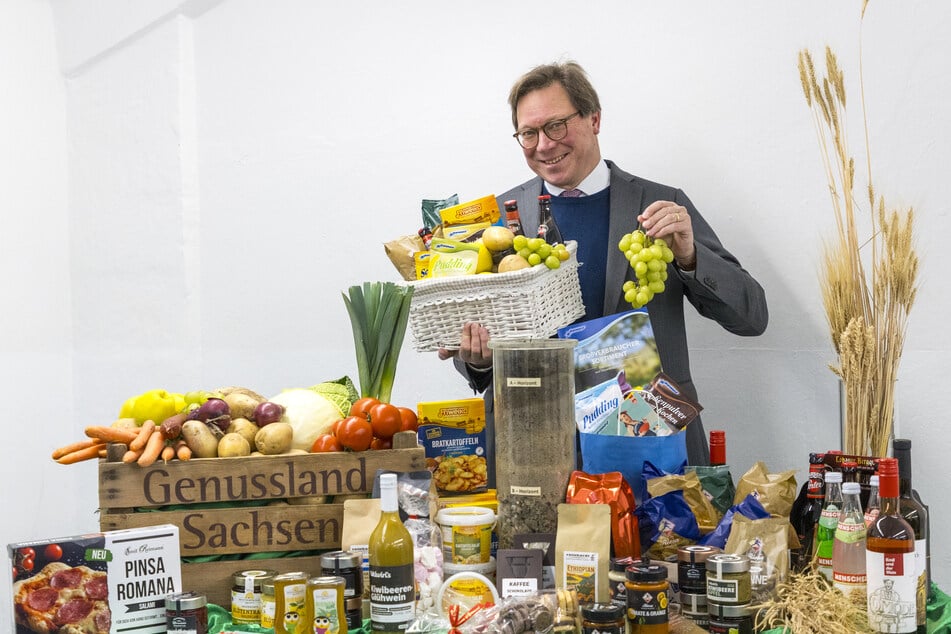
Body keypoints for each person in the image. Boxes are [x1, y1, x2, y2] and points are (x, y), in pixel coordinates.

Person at [438, 61, 768, 465]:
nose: (544, 144)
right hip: (533, 449)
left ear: (594, 119)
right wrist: (475, 358)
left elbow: (751, 317)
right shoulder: (496, 222)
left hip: (648, 441)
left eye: (556, 125)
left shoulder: (662, 206)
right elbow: (478, 350)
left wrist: (689, 256)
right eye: (529, 133)